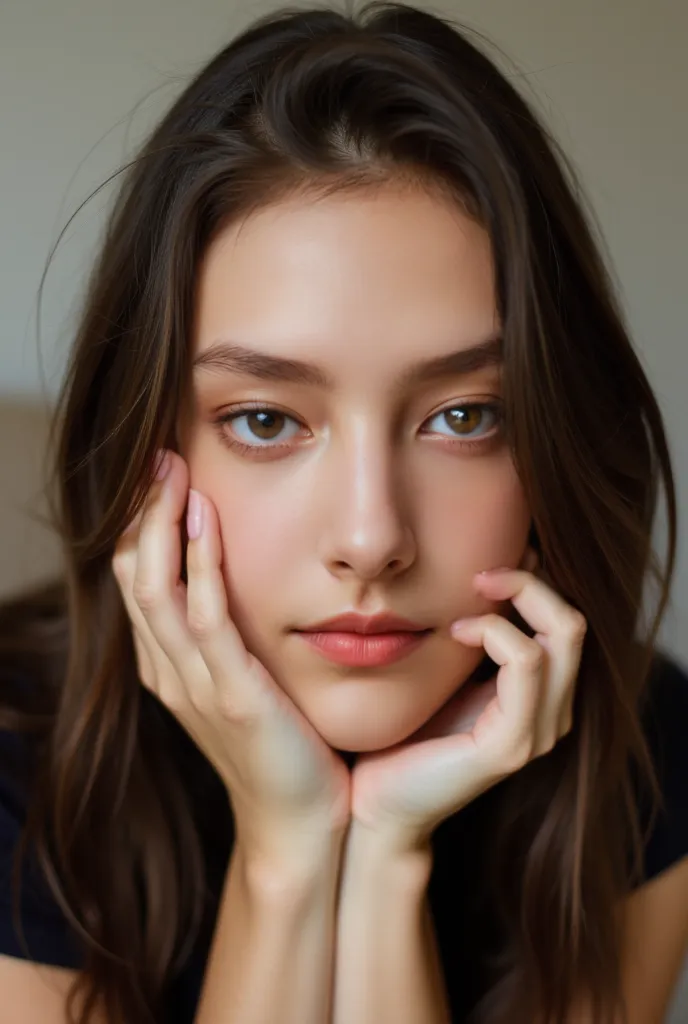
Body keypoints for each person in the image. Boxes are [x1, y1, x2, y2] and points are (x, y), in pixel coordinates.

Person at [1, 2, 687, 1021]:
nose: (371, 538)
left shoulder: (642, 745)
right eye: (268, 420)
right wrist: (284, 855)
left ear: (551, 442)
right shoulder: (14, 760)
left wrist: (385, 861)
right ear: (151, 448)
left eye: (463, 415)